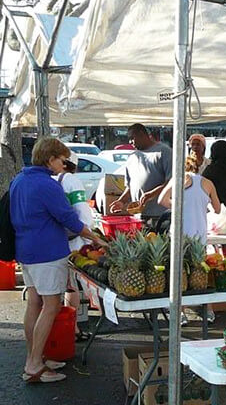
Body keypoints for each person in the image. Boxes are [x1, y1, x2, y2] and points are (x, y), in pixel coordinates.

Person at [10, 138, 105, 383]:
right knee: (51, 305)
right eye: (62, 160)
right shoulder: (47, 185)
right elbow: (69, 219)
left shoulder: (19, 180)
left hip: (26, 250)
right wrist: (96, 239)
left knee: (34, 303)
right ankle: (33, 366)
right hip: (47, 252)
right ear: (50, 159)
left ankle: (35, 356)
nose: (65, 165)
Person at [159, 154, 221, 324]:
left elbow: (161, 200)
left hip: (179, 234)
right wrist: (202, 204)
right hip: (199, 234)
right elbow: (217, 208)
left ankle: (179, 313)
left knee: (179, 273)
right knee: (201, 271)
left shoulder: (177, 180)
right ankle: (208, 311)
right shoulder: (208, 183)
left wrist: (178, 205)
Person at [55, 152, 94, 341]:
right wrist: (91, 237)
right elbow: (83, 212)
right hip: (72, 242)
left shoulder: (50, 179)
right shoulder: (71, 180)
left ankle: (64, 327)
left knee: (57, 288)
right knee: (71, 286)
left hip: (54, 241)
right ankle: (73, 328)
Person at [109, 123, 173, 227]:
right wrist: (121, 201)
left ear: (142, 134)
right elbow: (130, 186)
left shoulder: (164, 152)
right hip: (138, 216)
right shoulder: (132, 157)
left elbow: (172, 182)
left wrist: (151, 194)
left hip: (160, 216)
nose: (130, 142)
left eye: (132, 138)